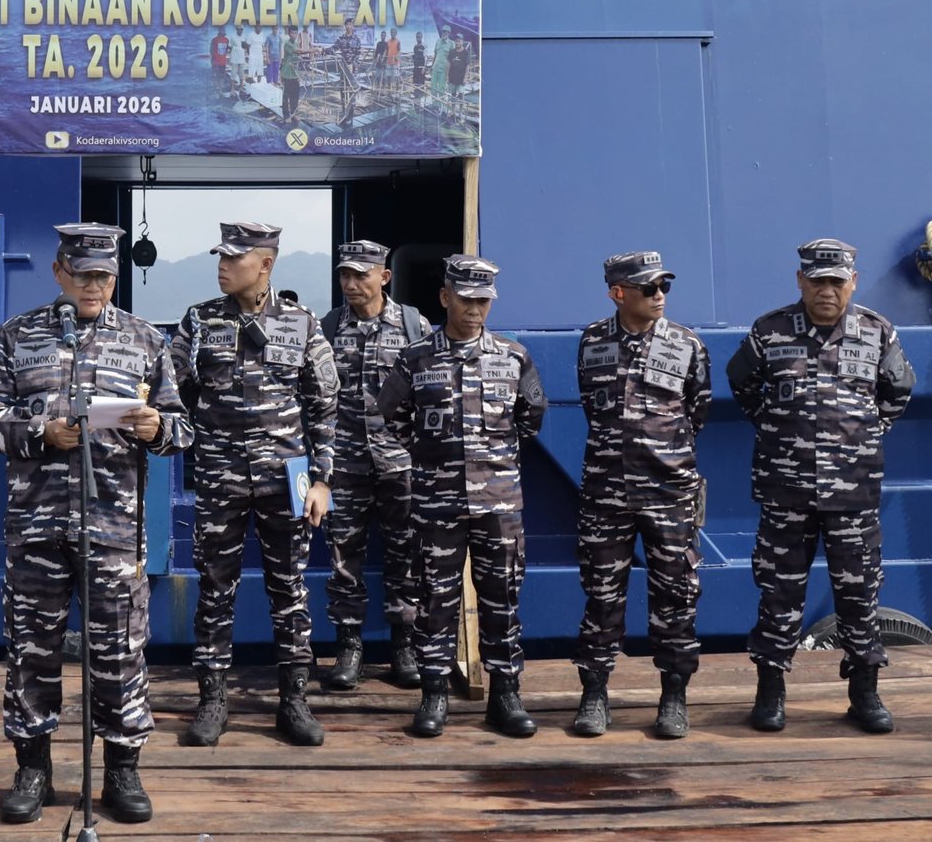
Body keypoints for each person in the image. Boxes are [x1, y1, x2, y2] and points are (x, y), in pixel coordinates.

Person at [0, 223, 193, 824]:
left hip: (114, 527)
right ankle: (33, 767)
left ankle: (122, 771)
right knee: (31, 649)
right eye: (82, 274)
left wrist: (155, 429)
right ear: (59, 272)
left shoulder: (147, 341)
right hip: (38, 527)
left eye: (103, 276)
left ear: (115, 278)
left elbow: (179, 427)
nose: (93, 286)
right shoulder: (17, 338)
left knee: (119, 651)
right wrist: (39, 432)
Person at [725, 239, 915, 734]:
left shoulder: (876, 332)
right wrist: (779, 430)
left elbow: (897, 391)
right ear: (800, 280)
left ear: (852, 281)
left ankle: (865, 694)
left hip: (852, 493)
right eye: (817, 280)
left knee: (858, 594)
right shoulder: (769, 332)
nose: (826, 290)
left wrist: (864, 435)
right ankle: (770, 694)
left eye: (836, 281)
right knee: (778, 593)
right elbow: (743, 386)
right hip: (785, 491)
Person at [170, 221, 339, 747]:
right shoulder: (199, 321)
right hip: (220, 478)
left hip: (285, 478)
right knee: (215, 590)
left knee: (289, 591)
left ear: (264, 265)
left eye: (234, 258)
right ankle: (212, 700)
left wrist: (323, 480)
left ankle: (293, 702)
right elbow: (172, 389)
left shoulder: (302, 323)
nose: (222, 266)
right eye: (220, 256)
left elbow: (323, 405)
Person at [378, 255, 547, 738]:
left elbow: (529, 418)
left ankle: (505, 695)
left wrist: (494, 461)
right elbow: (390, 416)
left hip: (498, 503)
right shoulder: (415, 359)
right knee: (435, 599)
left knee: (503, 598)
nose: (475, 310)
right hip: (437, 503)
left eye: (484, 301)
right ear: (445, 297)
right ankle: (433, 695)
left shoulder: (513, 357)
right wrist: (431, 459)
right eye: (467, 299)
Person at [570, 252, 712, 739]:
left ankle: (673, 696)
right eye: (648, 288)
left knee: (676, 595)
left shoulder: (687, 343)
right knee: (601, 596)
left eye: (663, 287)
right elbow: (593, 406)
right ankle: (594, 695)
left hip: (669, 491)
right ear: (618, 293)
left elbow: (697, 409)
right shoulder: (591, 342)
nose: (659, 296)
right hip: (606, 491)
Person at [319, 240, 431, 692]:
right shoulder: (328, 327)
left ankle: (403, 644)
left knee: (405, 553)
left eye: (361, 275)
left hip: (399, 462)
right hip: (345, 462)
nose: (351, 284)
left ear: (384, 277)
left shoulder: (411, 325)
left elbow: (427, 391)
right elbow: (316, 397)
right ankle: (349, 647)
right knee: (343, 556)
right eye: (345, 275)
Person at [333, 18, 362, 119]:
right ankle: (344, 110)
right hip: (343, 69)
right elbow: (334, 48)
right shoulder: (341, 39)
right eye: (347, 24)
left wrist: (353, 64)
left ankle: (350, 113)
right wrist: (323, 50)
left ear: (353, 26)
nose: (349, 26)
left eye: (351, 24)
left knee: (352, 90)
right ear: (345, 26)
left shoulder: (357, 39)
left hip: (352, 70)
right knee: (343, 89)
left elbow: (358, 54)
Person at [281, 20, 302, 122]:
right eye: (292, 33)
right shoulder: (287, 44)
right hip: (287, 73)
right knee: (286, 96)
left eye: (295, 33)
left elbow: (297, 55)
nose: (294, 35)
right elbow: (297, 51)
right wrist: (312, 50)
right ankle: (286, 116)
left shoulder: (297, 43)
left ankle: (294, 114)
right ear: (289, 34)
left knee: (295, 96)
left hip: (295, 74)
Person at [209, 26, 232, 98]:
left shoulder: (226, 40)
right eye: (222, 30)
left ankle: (220, 91)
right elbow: (211, 50)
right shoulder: (214, 40)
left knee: (221, 77)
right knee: (215, 76)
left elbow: (229, 48)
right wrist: (212, 60)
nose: (223, 31)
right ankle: (216, 90)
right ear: (219, 31)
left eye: (224, 30)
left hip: (223, 62)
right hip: (216, 62)